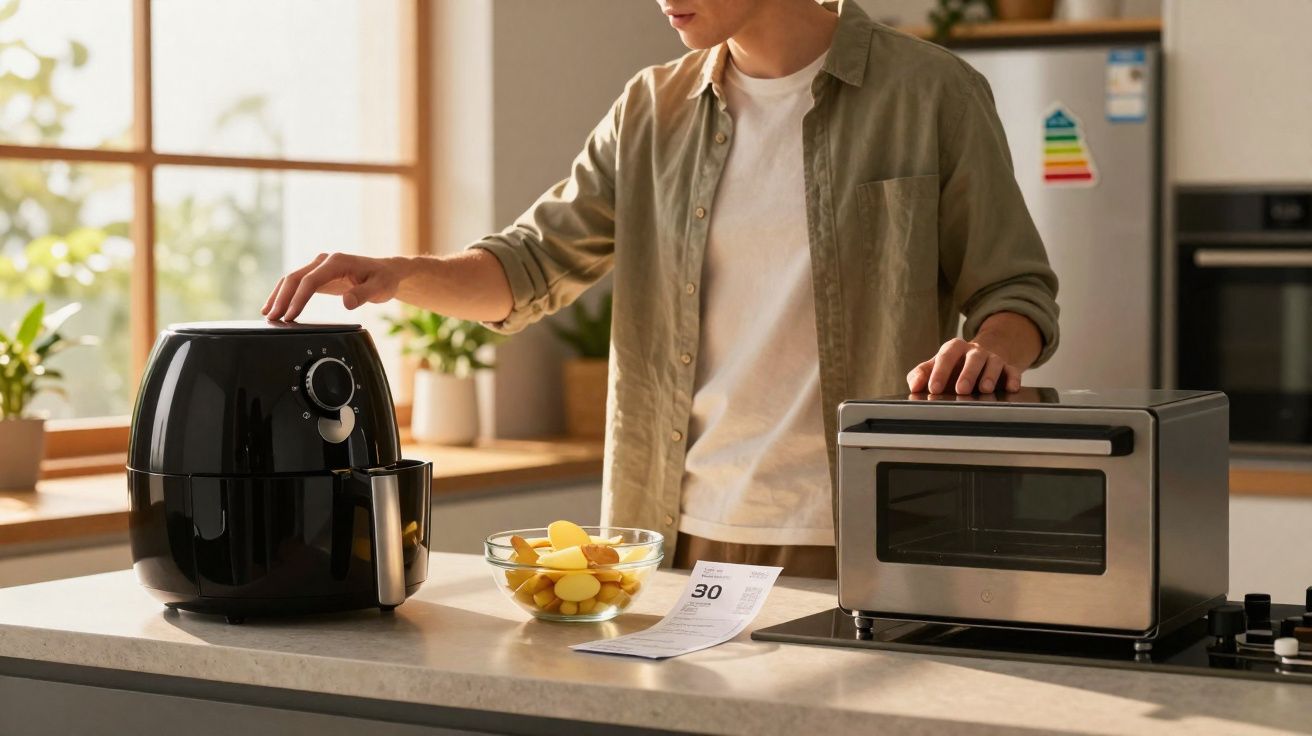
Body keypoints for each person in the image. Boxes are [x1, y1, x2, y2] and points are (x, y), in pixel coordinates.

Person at [263, 0, 1059, 578]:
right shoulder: (651, 110)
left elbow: (1016, 287)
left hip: (869, 530)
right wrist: (398, 275)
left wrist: (991, 349)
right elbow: (528, 267)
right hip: (675, 537)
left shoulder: (931, 93)